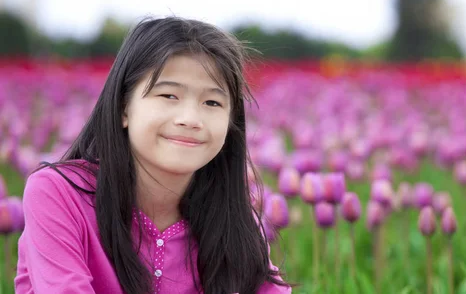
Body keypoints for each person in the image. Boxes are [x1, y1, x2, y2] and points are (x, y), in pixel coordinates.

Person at [15, 17, 292, 294]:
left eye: (212, 102)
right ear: (124, 107)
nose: (190, 119)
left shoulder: (235, 222)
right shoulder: (60, 194)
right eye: (169, 96)